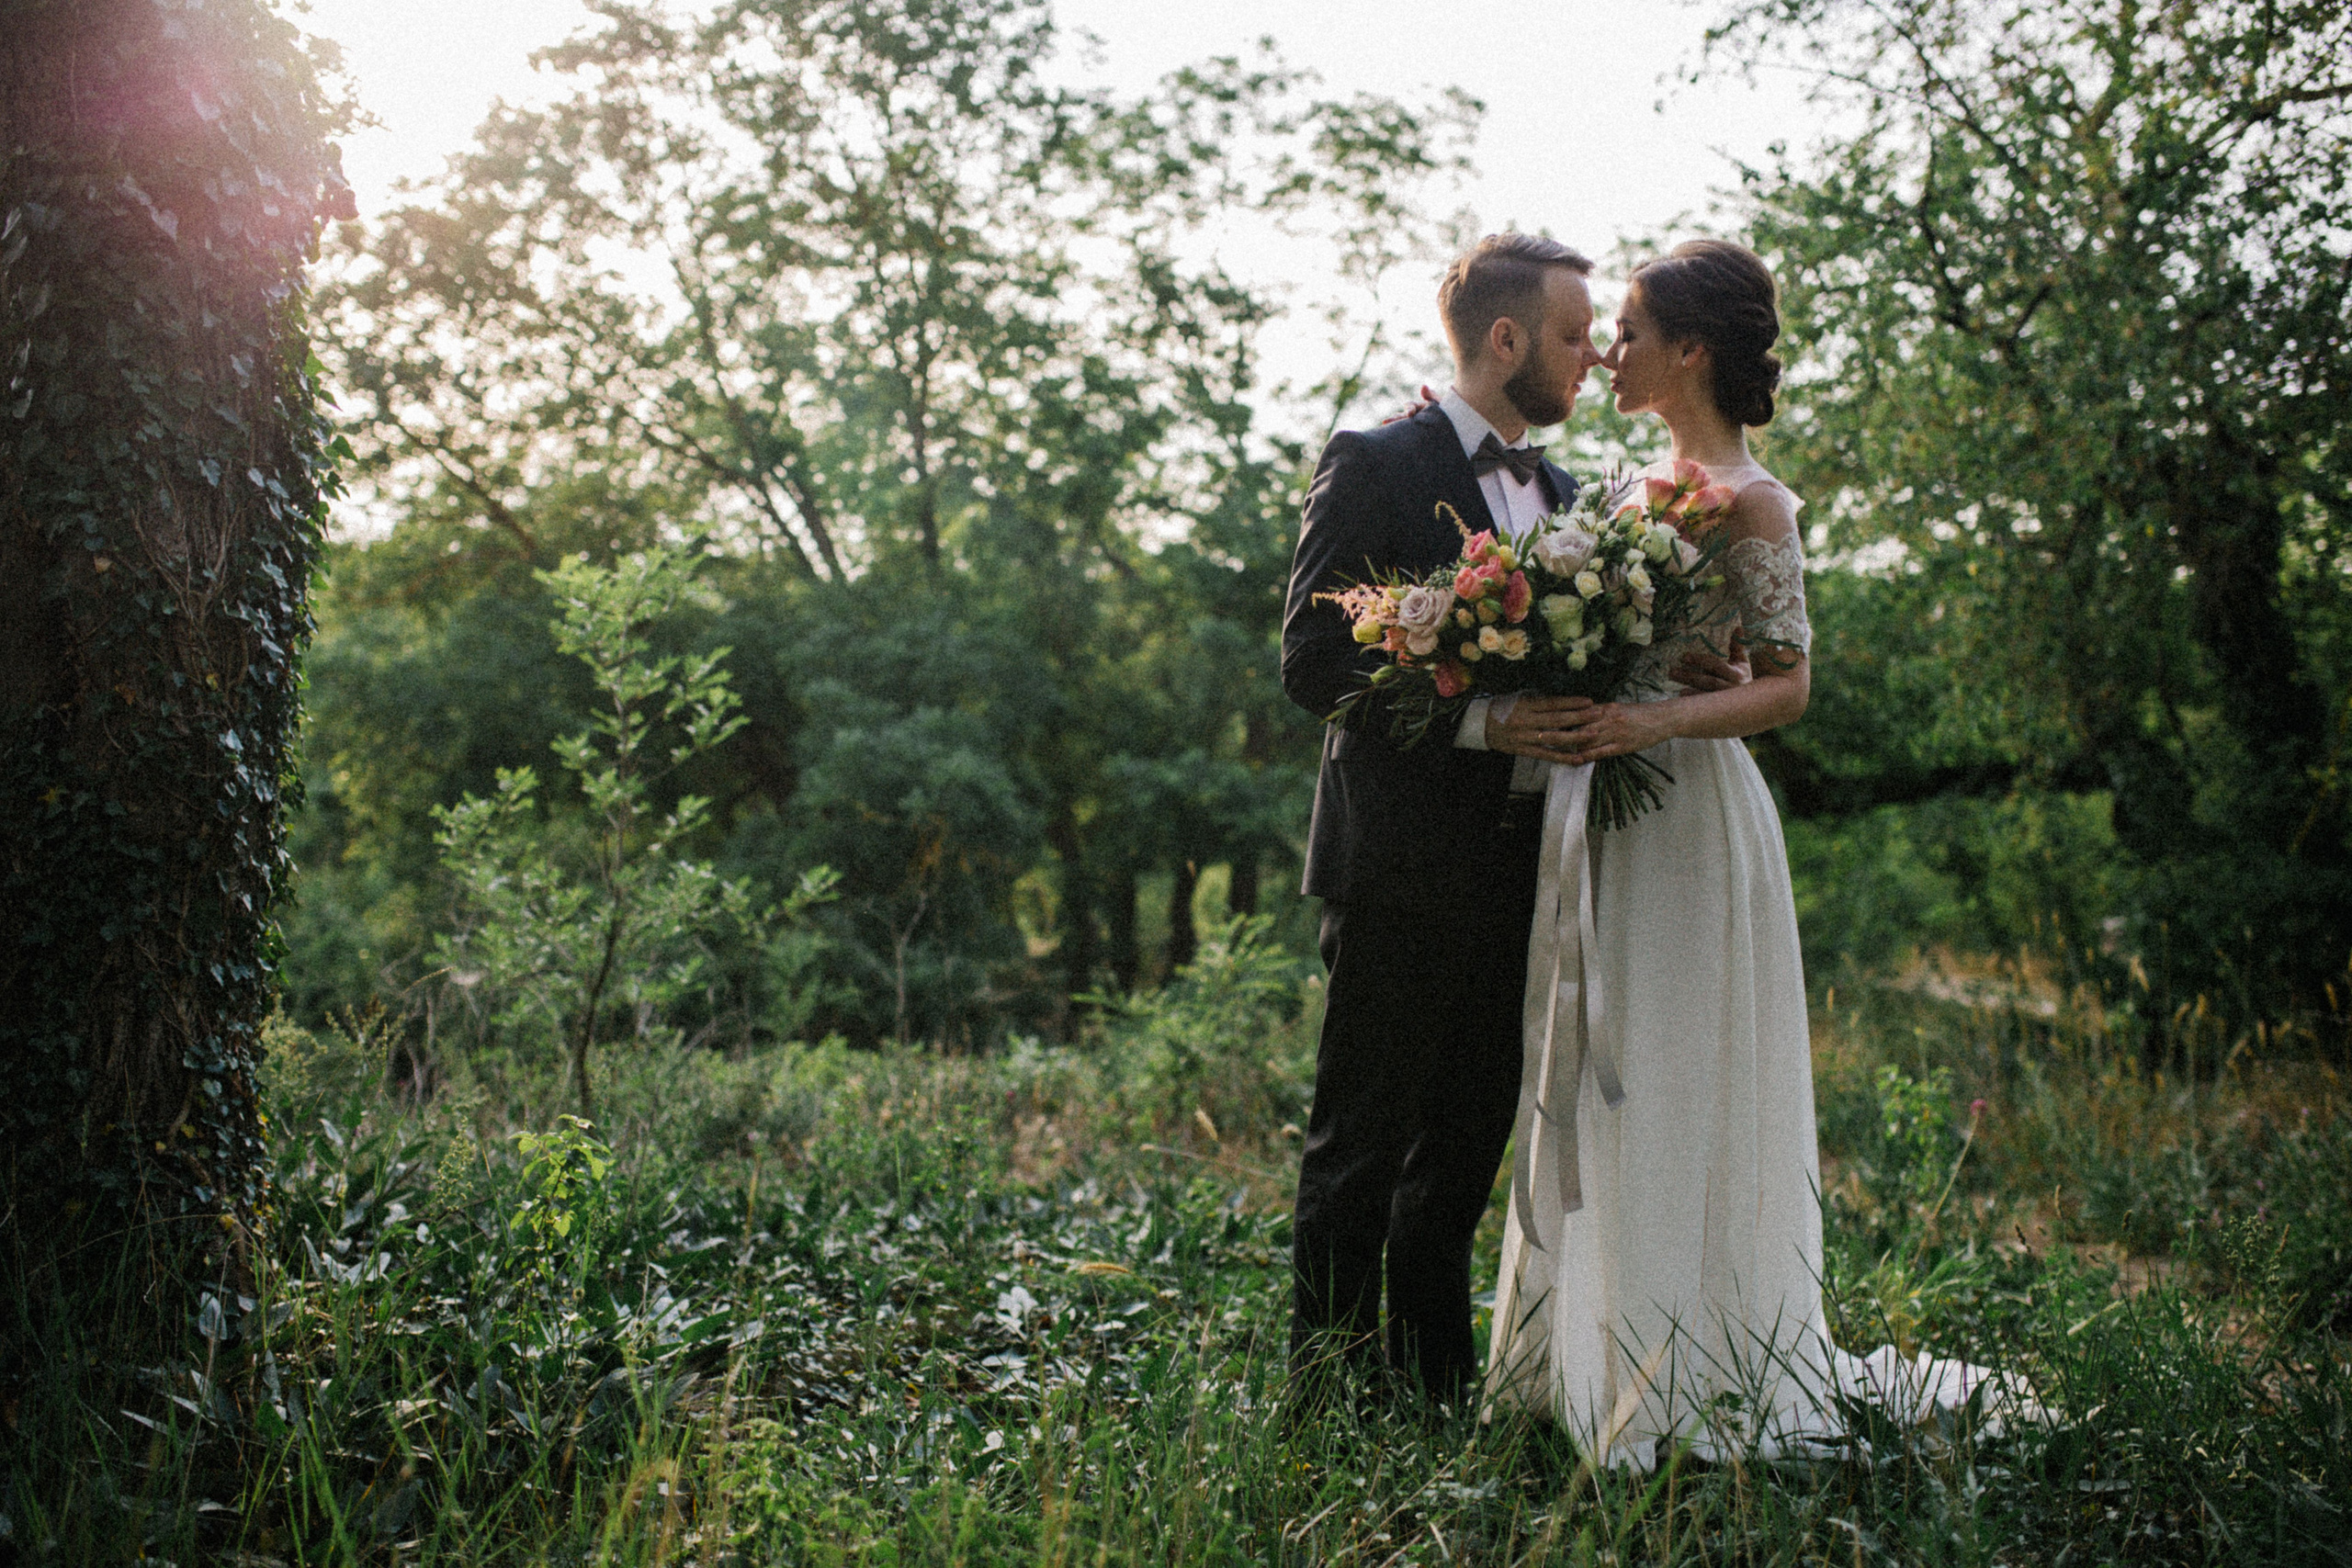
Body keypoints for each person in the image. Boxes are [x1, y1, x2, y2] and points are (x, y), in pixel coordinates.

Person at [1487, 239, 2012, 1462]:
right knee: (1588, 1062)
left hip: (1688, 814)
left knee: (1668, 1066)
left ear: (1690, 350)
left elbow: (1787, 685)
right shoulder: (1620, 488)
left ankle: (1691, 1371)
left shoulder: (1752, 502)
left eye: (1627, 330)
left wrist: (1654, 718)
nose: (1607, 352)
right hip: (1600, 808)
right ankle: (1575, 1361)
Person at [1278, 231, 1602, 1405]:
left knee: (1464, 1148)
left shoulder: (1570, 503)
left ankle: (1431, 1392)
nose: (1592, 355)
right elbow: (1313, 661)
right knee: (1360, 1145)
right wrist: (1483, 726)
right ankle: (1324, 1401)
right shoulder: (1374, 460)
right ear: (1505, 339)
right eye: (1572, 334)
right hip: (1397, 862)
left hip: (1523, 869)